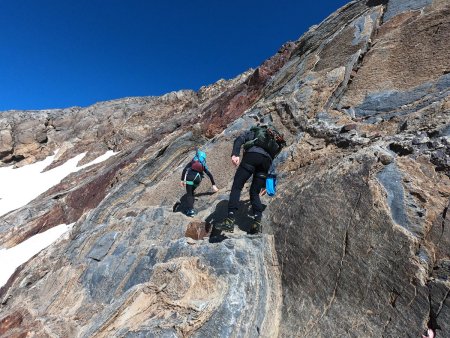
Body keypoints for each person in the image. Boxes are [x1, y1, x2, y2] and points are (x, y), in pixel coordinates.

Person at [215, 124, 285, 234]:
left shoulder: (255, 132)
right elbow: (273, 161)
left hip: (252, 156)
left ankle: (229, 220)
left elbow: (239, 139)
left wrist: (235, 154)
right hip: (266, 163)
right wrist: (265, 183)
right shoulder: (273, 143)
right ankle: (257, 223)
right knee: (254, 192)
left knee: (237, 186)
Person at [180, 150, 218, 216]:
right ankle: (190, 208)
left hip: (190, 177)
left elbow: (185, 170)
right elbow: (209, 174)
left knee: (189, 194)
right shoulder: (203, 164)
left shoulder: (193, 161)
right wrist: (213, 185)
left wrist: (182, 180)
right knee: (191, 193)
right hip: (198, 179)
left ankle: (190, 210)